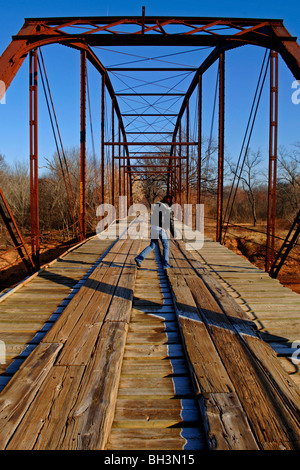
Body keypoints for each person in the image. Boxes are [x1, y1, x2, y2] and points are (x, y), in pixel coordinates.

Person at [135, 195, 175, 269]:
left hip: (153, 228)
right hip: (160, 230)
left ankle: (139, 258)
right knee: (166, 246)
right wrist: (174, 234)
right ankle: (165, 264)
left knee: (152, 245)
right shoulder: (167, 209)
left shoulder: (156, 206)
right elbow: (170, 222)